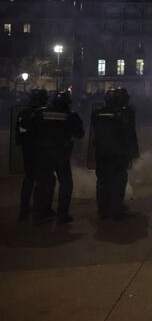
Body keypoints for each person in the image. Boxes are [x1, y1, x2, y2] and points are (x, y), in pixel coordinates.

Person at [28, 91, 85, 225]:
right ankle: (62, 214)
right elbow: (80, 134)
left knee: (43, 183)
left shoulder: (40, 113)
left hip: (42, 154)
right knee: (65, 183)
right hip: (61, 154)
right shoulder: (70, 116)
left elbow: (31, 130)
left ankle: (39, 214)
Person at [91, 87, 139, 220]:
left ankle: (103, 210)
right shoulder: (124, 114)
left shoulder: (98, 112)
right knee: (118, 181)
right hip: (118, 154)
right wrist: (133, 152)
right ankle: (115, 210)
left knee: (102, 181)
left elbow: (95, 132)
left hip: (101, 153)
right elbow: (129, 134)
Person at [15, 89, 49, 220]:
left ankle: (24, 210)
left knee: (28, 179)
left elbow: (19, 134)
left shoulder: (23, 113)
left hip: (27, 150)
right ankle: (38, 210)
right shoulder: (43, 113)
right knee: (41, 181)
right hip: (40, 150)